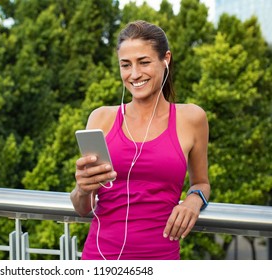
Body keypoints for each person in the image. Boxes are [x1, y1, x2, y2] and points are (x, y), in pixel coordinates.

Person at [70, 20, 210, 260]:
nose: (134, 74)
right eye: (126, 65)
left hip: (160, 258)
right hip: (99, 257)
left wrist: (193, 201)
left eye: (144, 62)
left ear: (165, 59)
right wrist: (82, 189)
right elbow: (84, 208)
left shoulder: (192, 118)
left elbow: (201, 183)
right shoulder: (101, 118)